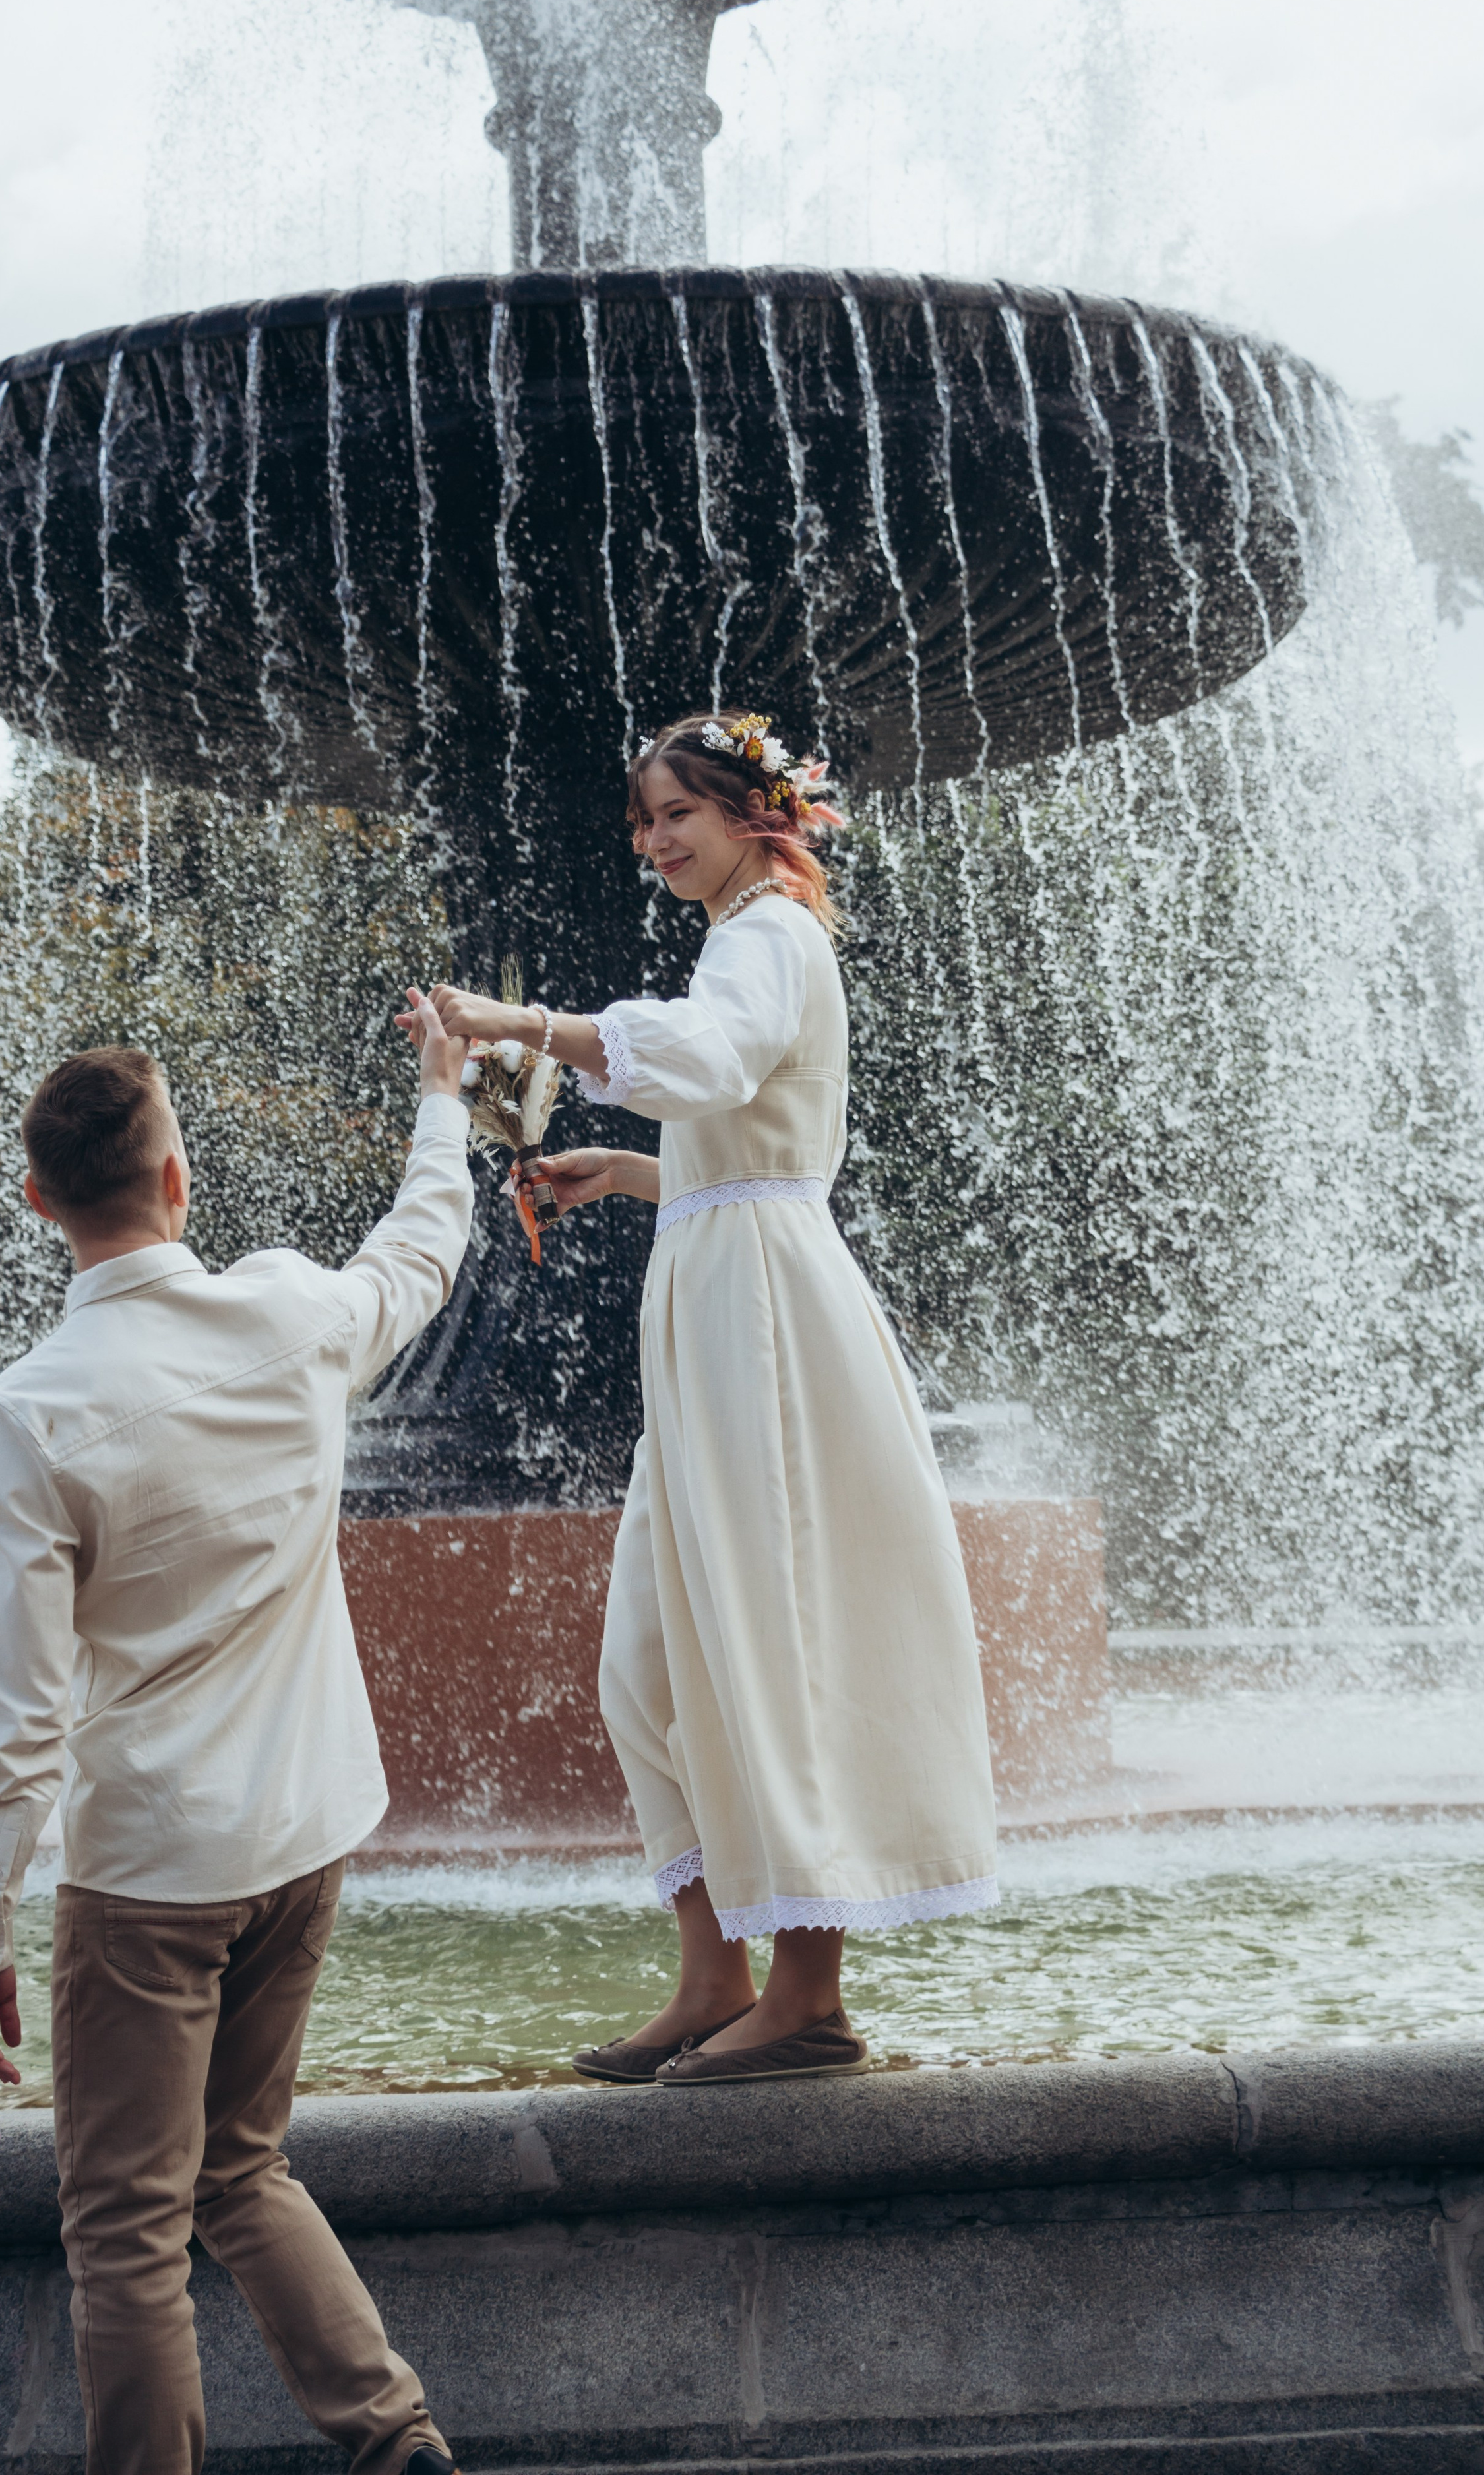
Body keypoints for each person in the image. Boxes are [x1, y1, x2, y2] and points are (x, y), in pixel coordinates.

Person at [421, 710, 998, 2085]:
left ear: (755, 812)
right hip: (722, 1290)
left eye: (676, 811)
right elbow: (741, 1131)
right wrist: (624, 1173)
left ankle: (806, 1998)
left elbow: (710, 1060)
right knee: (655, 1663)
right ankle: (708, 1978)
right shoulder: (742, 938)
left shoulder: (768, 935)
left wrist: (517, 1026)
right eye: (642, 819)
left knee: (765, 1631)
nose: (653, 838)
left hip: (762, 1317)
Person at [0, 999, 472, 2475]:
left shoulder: (34, 1411)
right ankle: (396, 2445)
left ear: (38, 1199)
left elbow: (15, 1712)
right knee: (240, 2168)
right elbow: (421, 1252)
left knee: (124, 2232)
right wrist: (442, 1097)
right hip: (303, 1838)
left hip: (150, 1876)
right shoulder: (292, 1315)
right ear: (179, 1181)